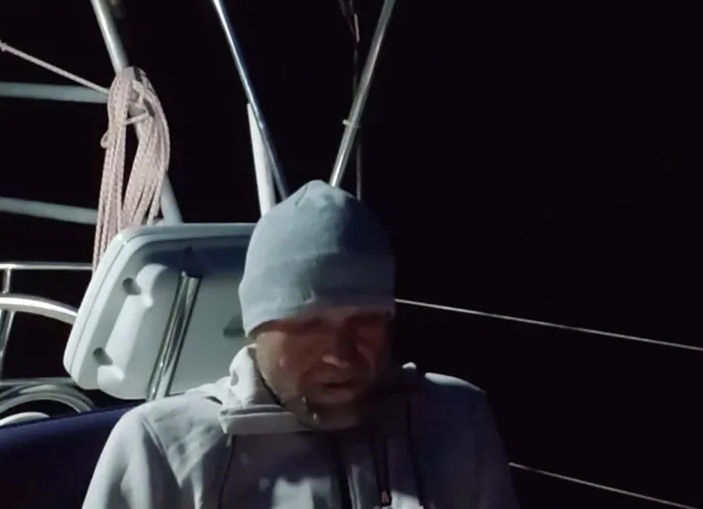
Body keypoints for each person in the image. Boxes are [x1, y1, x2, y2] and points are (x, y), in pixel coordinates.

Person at [82, 180, 519, 508]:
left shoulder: (456, 421)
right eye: (309, 325)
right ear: (256, 330)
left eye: (365, 321)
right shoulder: (162, 449)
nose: (340, 354)